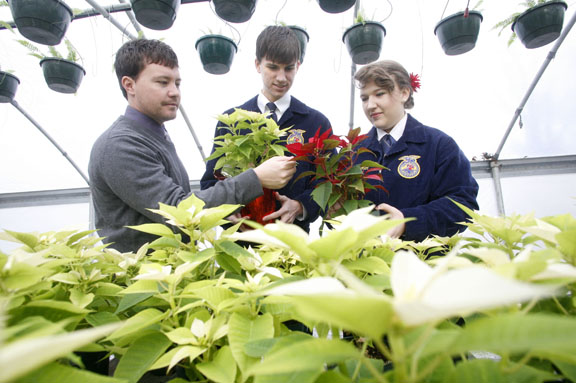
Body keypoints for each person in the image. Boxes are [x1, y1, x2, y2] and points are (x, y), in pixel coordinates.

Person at [88, 39, 296, 253]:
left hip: (168, 270)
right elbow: (179, 210)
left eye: (177, 83)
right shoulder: (121, 145)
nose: (175, 92)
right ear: (129, 85)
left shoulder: (152, 136)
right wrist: (256, 178)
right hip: (143, 277)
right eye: (162, 82)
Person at [201, 25, 333, 233]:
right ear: (257, 64)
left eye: (288, 68)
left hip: (293, 242)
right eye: (273, 67)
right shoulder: (232, 122)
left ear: (298, 66)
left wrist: (300, 206)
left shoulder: (316, 123)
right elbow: (210, 182)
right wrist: (225, 211)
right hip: (242, 243)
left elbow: (326, 183)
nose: (281, 78)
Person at [353, 60, 479, 241]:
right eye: (364, 98)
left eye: (379, 94)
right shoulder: (355, 152)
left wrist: (407, 221)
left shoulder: (438, 145)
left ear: (404, 93)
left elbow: (462, 205)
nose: (370, 105)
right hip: (366, 263)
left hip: (423, 262)